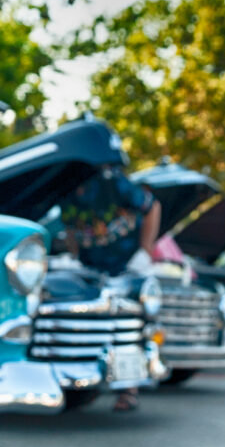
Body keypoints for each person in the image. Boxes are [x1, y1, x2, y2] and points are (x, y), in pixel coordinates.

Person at [61, 165, 162, 411]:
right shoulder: (63, 190)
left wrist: (146, 249)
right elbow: (69, 228)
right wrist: (74, 255)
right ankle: (89, 385)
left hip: (127, 266)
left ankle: (129, 389)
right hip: (91, 270)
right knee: (93, 325)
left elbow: (153, 207)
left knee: (127, 327)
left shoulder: (112, 182)